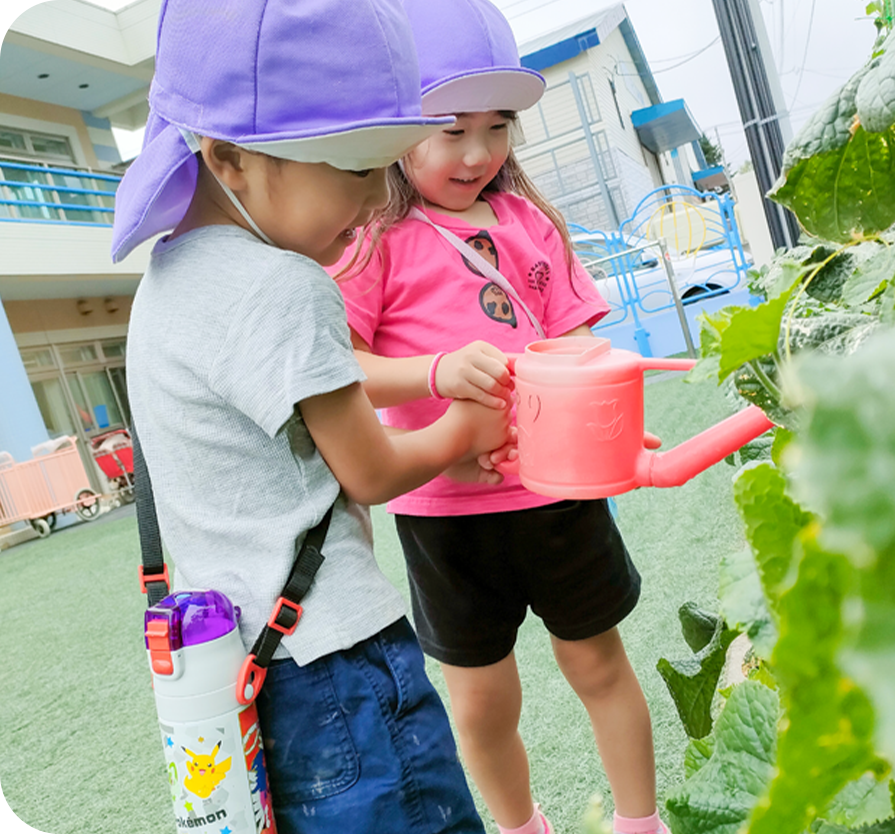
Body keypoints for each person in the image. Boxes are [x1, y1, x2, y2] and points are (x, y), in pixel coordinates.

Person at [110, 1, 509, 832]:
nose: (375, 199)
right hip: (343, 660)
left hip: (252, 663)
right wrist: (463, 430)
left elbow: (312, 389)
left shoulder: (166, 287)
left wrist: (433, 381)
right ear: (230, 159)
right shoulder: (286, 286)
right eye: (357, 168)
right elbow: (369, 468)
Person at [336, 2, 670, 833]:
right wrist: (436, 371)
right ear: (394, 129)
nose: (479, 153)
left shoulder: (528, 223)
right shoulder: (371, 238)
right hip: (443, 514)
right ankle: (521, 827)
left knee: (599, 664)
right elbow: (337, 365)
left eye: (498, 126)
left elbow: (578, 348)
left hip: (558, 496)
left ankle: (640, 822)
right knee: (483, 701)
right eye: (448, 128)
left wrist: (614, 431)